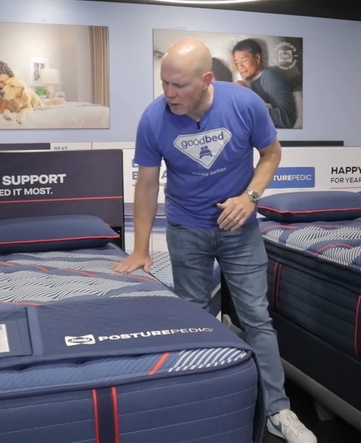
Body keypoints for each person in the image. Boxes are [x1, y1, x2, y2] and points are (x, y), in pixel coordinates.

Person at [113, 38, 317, 443]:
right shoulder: (153, 118)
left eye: (179, 85)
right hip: (186, 229)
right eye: (164, 83)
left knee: (256, 317)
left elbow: (271, 153)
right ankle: (203, 402)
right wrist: (139, 248)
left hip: (240, 230)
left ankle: (278, 410)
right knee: (194, 316)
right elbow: (147, 185)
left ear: (207, 79)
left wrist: (250, 197)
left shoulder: (244, 104)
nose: (169, 93)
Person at [232, 38, 298, 129]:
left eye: (244, 60)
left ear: (257, 58)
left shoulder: (270, 77)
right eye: (237, 62)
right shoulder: (251, 80)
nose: (240, 66)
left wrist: (249, 100)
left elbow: (286, 119)